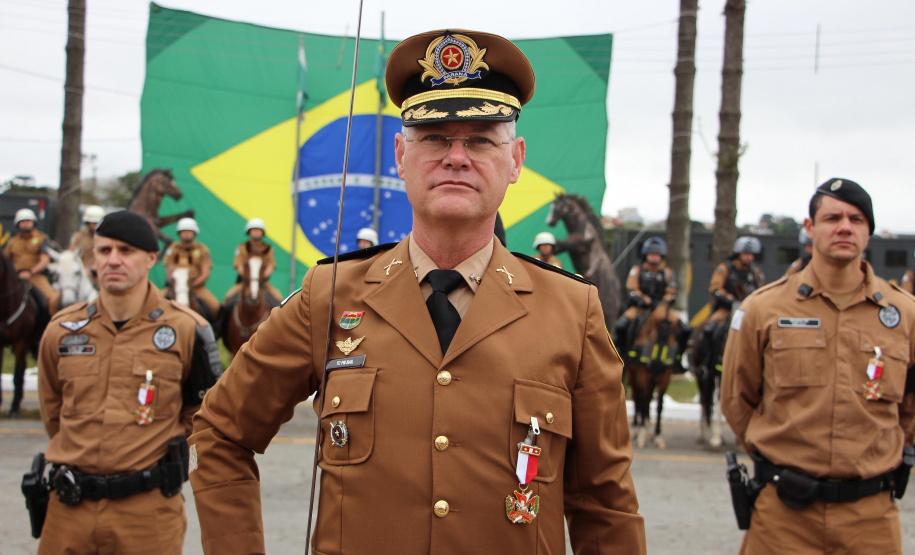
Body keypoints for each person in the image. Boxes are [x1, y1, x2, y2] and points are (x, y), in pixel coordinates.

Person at [188, 28, 646, 555]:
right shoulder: (330, 294)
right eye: (434, 139)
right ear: (401, 156)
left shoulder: (571, 309)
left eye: (480, 139)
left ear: (515, 159)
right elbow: (221, 432)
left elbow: (605, 504)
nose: (456, 156)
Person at [721, 178, 915, 554]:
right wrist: (779, 456)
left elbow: (911, 408)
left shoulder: (904, 313)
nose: (844, 227)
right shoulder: (763, 309)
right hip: (783, 518)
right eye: (832, 218)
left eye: (856, 219)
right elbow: (736, 400)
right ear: (810, 229)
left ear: (868, 231)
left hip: (871, 519)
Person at [35, 210, 223, 554]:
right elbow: (53, 412)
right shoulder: (61, 331)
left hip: (146, 513)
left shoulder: (187, 329)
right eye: (104, 251)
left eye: (126, 251)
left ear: (151, 257)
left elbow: (204, 417)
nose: (113, 260)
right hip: (68, 510)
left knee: (220, 303)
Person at [695, 236, 765, 370]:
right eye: (746, 254)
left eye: (751, 254)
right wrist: (731, 300)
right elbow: (715, 288)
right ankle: (705, 364)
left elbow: (762, 289)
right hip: (727, 309)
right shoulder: (725, 268)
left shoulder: (755, 272)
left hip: (750, 310)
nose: (749, 257)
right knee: (710, 329)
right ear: (738, 254)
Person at [612, 237, 680, 360]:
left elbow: (671, 291)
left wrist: (663, 301)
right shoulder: (637, 270)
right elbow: (632, 288)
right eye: (652, 254)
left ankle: (678, 357)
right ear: (646, 255)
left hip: (660, 308)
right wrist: (644, 299)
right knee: (621, 325)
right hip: (641, 307)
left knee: (682, 327)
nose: (655, 257)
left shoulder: (667, 273)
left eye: (657, 255)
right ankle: (620, 353)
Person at [163, 217, 220, 321]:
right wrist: (176, 284)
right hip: (175, 286)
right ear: (179, 233)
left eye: (189, 231)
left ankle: (212, 331)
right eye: (183, 231)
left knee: (215, 306)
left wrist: (191, 284)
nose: (186, 234)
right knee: (155, 304)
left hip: (196, 287)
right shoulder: (173, 248)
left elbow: (205, 272)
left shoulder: (202, 249)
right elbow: (169, 269)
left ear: (194, 233)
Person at [4, 208, 60, 314]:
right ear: (18, 224)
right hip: (16, 276)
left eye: (28, 221)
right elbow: (6, 260)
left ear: (33, 223)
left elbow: (44, 261)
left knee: (53, 298)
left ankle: (51, 325)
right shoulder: (13, 241)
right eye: (23, 222)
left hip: (36, 275)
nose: (25, 224)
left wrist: (30, 272)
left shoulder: (41, 238)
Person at [222, 218, 284, 305]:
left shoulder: (268, 248)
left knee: (279, 299)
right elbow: (239, 265)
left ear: (262, 232)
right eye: (253, 230)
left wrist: (261, 277)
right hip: (244, 282)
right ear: (249, 232)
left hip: (263, 282)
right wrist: (249, 278)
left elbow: (271, 265)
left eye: (258, 230)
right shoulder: (242, 247)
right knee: (228, 297)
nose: (256, 232)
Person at [68, 205, 105, 277]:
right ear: (87, 222)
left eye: (97, 223)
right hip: (81, 273)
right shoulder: (79, 236)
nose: (95, 225)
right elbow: (71, 254)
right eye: (93, 223)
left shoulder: (107, 238)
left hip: (101, 274)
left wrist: (93, 268)